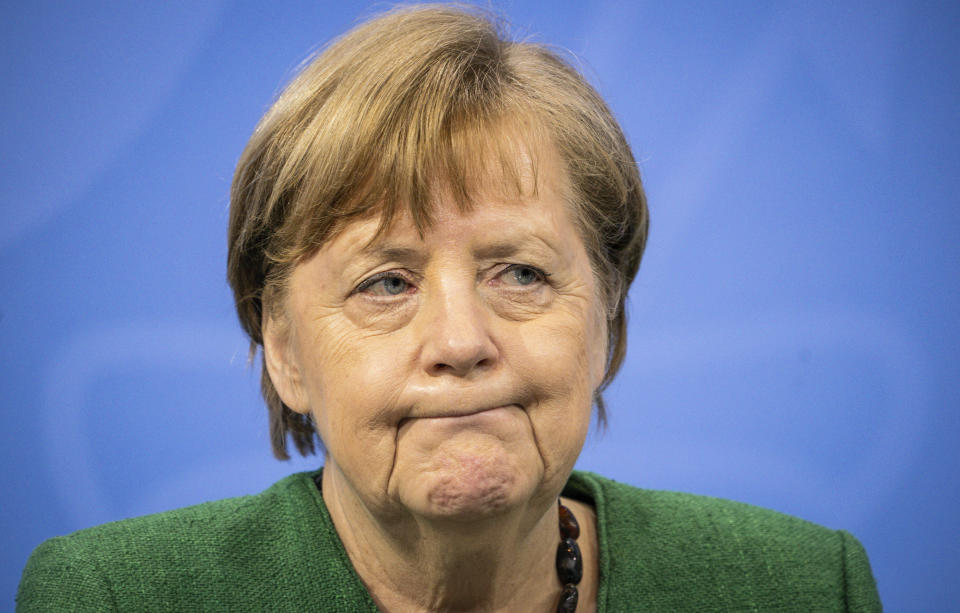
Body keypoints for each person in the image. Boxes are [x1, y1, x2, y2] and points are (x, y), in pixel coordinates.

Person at [17, 5, 881, 612]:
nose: (462, 341)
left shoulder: (804, 586)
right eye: (386, 283)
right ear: (283, 351)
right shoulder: (114, 597)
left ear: (606, 323)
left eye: (520, 274)